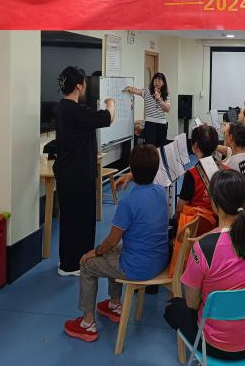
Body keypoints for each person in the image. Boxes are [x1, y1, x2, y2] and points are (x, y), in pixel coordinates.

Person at [164, 170, 245, 360]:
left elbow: (192, 303)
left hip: (219, 345)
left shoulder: (203, 248)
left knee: (174, 307)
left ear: (214, 204)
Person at [64, 144, 169, 342]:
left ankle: (87, 323)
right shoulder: (160, 192)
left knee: (87, 264)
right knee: (117, 252)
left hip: (137, 268)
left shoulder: (128, 203)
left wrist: (95, 251)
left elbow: (111, 242)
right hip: (159, 261)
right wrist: (133, 175)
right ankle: (114, 304)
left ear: (132, 167)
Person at [53, 66, 115, 276]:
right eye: (85, 84)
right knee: (81, 221)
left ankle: (68, 261)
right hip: (78, 174)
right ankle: (75, 264)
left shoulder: (63, 107)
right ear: (79, 86)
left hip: (68, 173)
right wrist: (111, 103)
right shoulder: (75, 111)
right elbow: (107, 118)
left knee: (70, 220)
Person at [124, 72, 170, 147]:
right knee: (150, 147)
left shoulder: (166, 94)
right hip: (150, 123)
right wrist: (129, 88)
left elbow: (167, 109)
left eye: (159, 80)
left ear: (163, 83)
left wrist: (159, 99)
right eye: (155, 80)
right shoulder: (147, 91)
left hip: (162, 124)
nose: (156, 82)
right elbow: (136, 90)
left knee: (160, 147)